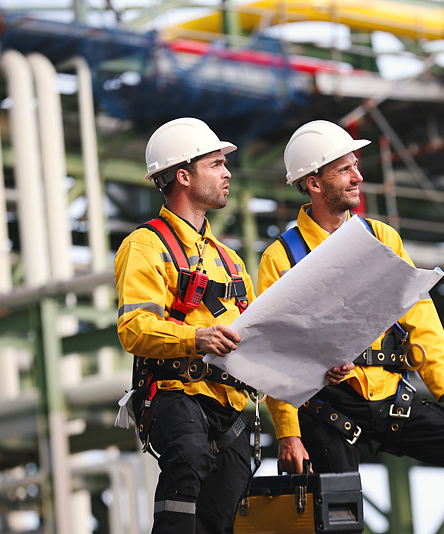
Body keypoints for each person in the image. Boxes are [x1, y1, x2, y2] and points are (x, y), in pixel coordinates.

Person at [257, 120, 444, 533]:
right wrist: (288, 432)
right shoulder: (280, 258)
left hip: (393, 398)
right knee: (339, 517)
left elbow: (420, 315)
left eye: (356, 165)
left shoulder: (382, 238)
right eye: (344, 169)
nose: (358, 176)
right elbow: (275, 351)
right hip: (329, 407)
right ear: (314, 183)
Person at [115, 118, 351, 534]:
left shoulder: (229, 259)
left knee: (219, 519)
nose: (228, 174)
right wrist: (195, 336)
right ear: (183, 176)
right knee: (185, 468)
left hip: (232, 411)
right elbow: (134, 328)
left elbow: (261, 341)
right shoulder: (146, 246)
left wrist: (314, 369)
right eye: (217, 164)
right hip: (178, 396)